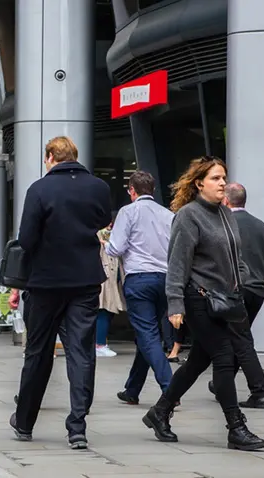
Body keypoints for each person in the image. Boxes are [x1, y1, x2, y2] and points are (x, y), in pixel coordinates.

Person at [142, 156, 264, 451]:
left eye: (223, 177)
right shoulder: (189, 216)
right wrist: (175, 304)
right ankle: (236, 427)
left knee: (198, 361)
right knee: (224, 356)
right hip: (198, 299)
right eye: (215, 178)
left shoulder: (225, 214)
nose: (222, 183)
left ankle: (160, 411)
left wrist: (241, 278)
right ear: (199, 183)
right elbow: (177, 263)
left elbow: (235, 256)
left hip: (226, 300)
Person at [10, 136, 111, 450]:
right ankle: (77, 426)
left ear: (50, 156)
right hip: (85, 280)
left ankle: (25, 421)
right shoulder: (98, 187)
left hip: (46, 281)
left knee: (38, 352)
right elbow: (103, 219)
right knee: (81, 353)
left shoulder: (39, 189)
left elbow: (26, 238)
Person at [105, 171, 174, 404]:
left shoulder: (128, 212)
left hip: (139, 279)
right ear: (152, 190)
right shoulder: (168, 215)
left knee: (148, 335)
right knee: (147, 334)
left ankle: (170, 388)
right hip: (164, 278)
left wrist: (105, 244)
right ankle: (132, 389)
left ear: (132, 191)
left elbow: (116, 248)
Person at [206, 183, 264, 408]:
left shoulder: (223, 223)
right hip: (258, 290)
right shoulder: (261, 226)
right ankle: (221, 384)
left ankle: (259, 391)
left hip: (235, 289)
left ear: (226, 201)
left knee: (240, 340)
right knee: (237, 336)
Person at [96, 219, 126, 357]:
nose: (109, 226)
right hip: (105, 277)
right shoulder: (98, 235)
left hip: (114, 277)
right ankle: (99, 344)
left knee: (109, 310)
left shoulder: (112, 235)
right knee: (104, 309)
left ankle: (100, 343)